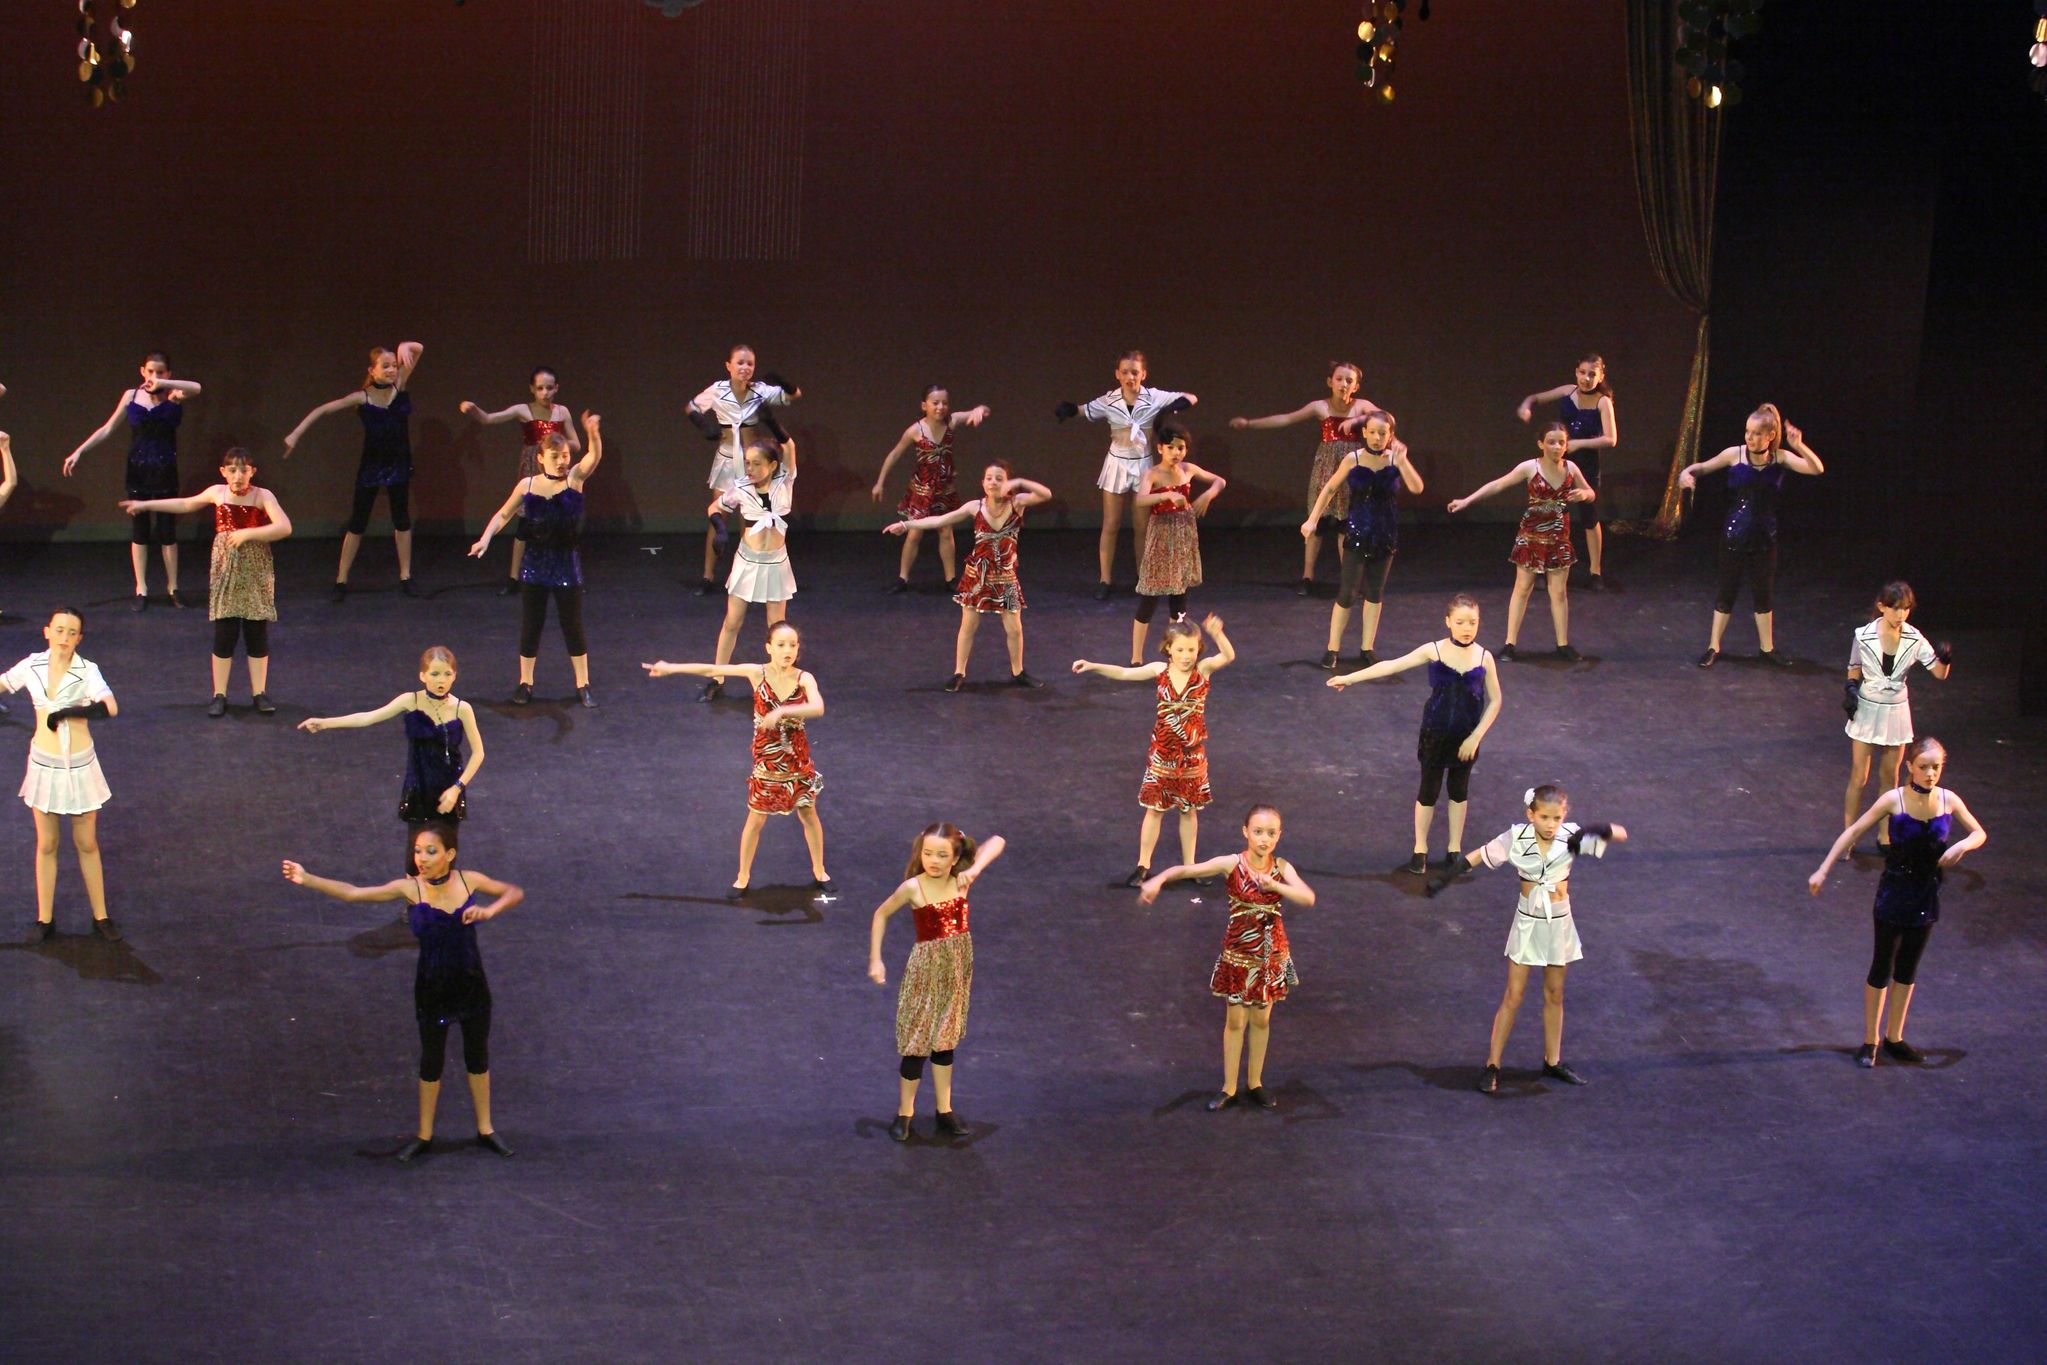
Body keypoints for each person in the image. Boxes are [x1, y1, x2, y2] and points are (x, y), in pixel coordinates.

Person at [281, 823, 523, 1162]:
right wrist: (308, 879)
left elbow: (513, 892)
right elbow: (353, 893)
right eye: (418, 851)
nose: (421, 858)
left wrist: (489, 910)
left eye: (431, 851)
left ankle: (486, 1129)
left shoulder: (470, 880)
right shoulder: (410, 888)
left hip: (471, 986)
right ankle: (424, 1134)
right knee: (431, 1060)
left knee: (477, 1056)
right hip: (432, 989)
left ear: (450, 854)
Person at [1428, 784, 1628, 1093]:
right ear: (1530, 815)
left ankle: (1553, 1061)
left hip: (1559, 923)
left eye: (1557, 818)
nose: (1551, 824)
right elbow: (1479, 855)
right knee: (1514, 995)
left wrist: (1592, 830)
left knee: (1555, 994)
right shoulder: (1516, 838)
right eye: (1544, 817)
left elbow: (1621, 834)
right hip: (1528, 923)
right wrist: (1446, 878)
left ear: (1564, 816)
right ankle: (1492, 1064)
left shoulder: (1571, 836)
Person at [1808, 737, 1985, 1067]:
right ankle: (1870, 1040)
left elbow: (1979, 832)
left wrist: (1962, 846)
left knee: (1907, 968)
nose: (1930, 774)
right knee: (1881, 966)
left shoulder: (1948, 800)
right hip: (1894, 894)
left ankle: (1895, 1037)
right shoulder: (1894, 800)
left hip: (1926, 894)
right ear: (1910, 767)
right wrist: (1823, 869)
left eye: (1936, 767)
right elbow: (1853, 832)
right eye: (1924, 767)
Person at [1140, 804, 1316, 1111]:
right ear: (1245, 832)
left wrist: (1275, 885)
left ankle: (1255, 1082)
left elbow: (1308, 897)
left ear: (1279, 835)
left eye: (1271, 833)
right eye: (1258, 832)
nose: (1264, 839)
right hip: (1238, 955)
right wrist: (1158, 879)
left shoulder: (1282, 867)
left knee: (1261, 1019)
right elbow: (1188, 870)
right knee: (1235, 1021)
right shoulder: (1231, 864)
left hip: (1269, 955)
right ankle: (1229, 1087)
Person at [643, 621, 833, 899]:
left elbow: (818, 707)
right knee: (755, 819)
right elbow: (713, 670)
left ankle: (820, 871)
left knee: (808, 814)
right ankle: (742, 876)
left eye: (793, 645)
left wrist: (782, 713)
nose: (787, 650)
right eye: (781, 645)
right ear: (768, 648)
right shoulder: (756, 673)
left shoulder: (805, 678)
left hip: (796, 761)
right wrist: (671, 667)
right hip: (767, 762)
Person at [1329, 593, 1502, 874]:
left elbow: (1496, 700)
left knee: (1459, 792)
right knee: (1428, 791)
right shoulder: (1434, 650)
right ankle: (1420, 848)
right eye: (1460, 622)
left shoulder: (1484, 657)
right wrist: (1350, 679)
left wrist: (1476, 737)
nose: (1467, 628)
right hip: (1435, 734)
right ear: (1448, 622)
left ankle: (1454, 848)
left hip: (1466, 739)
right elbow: (1391, 665)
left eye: (1473, 622)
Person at [120, 447, 293, 717]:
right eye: (232, 470)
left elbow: (284, 526)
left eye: (243, 470)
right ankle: (219, 694)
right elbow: (184, 504)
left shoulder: (262, 496)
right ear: (223, 472)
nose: (238, 476)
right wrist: (145, 505)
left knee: (256, 632)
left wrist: (248, 533)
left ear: (252, 472)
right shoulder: (217, 493)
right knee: (225, 632)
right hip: (226, 570)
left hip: (255, 570)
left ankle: (259, 692)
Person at [866, 824, 1008, 1141]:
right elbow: (881, 914)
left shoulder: (961, 880)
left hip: (956, 971)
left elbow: (997, 841)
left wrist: (975, 869)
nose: (933, 860)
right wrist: (876, 958)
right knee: (916, 1046)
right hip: (925, 972)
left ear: (955, 858)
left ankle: (944, 1110)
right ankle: (905, 1112)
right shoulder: (913, 887)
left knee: (945, 1043)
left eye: (942, 855)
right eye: (928, 853)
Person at [1073, 615, 1236, 887]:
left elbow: (1228, 656)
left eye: (1191, 649)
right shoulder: (1159, 670)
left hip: (1192, 757)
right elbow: (1124, 673)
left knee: (1188, 810)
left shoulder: (1203, 670)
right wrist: (1093, 666)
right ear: (1168, 648)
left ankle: (1190, 867)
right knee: (1154, 809)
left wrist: (1218, 634)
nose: (1186, 656)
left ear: (1198, 649)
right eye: (1180, 649)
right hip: (1163, 755)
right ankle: (1143, 866)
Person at [468, 412, 605, 707]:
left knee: (572, 625)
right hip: (534, 565)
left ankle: (583, 684)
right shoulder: (527, 485)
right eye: (555, 456)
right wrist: (485, 538)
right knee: (532, 624)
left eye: (565, 455)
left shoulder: (574, 480)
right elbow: (504, 514)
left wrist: (593, 434)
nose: (562, 461)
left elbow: (593, 457)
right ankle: (525, 683)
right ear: (541, 459)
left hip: (566, 565)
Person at [3, 609, 121, 942]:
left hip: (80, 767)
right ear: (47, 632)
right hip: (43, 765)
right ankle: (45, 919)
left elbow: (110, 706)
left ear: (79, 638)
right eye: (59, 630)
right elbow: (4, 682)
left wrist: (67, 712)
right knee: (47, 843)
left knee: (87, 842)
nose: (64, 638)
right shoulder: (32, 665)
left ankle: (101, 916)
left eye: (72, 632)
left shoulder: (87, 670)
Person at [885, 461, 1054, 692]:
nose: (993, 482)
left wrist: (1020, 482)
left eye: (999, 478)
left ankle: (1018, 671)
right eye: (989, 478)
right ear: (983, 483)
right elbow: (940, 520)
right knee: (968, 626)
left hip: (1005, 576)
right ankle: (959, 672)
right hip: (977, 576)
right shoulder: (975, 507)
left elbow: (1046, 494)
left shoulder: (1017, 502)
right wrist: (906, 524)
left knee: (1014, 629)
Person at [1677, 404, 1824, 666]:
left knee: (1763, 594)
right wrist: (1685, 473)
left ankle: (1767, 649)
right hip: (1734, 535)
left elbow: (1816, 469)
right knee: (1727, 591)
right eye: (1747, 432)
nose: (1750, 437)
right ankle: (1713, 646)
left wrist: (1799, 445)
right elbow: (1702, 467)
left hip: (1764, 537)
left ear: (1770, 436)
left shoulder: (1780, 458)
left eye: (1757, 433)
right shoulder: (1734, 454)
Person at [282, 342, 426, 600]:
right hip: (372, 466)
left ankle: (406, 576)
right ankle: (341, 579)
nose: (392, 370)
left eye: (394, 365)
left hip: (398, 465)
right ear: (372, 370)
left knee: (402, 520)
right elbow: (323, 410)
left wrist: (405, 345)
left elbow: (419, 348)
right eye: (386, 366)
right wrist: (296, 433)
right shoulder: (362, 397)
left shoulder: (399, 386)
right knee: (358, 523)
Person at [62, 351, 203, 609]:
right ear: (142, 371)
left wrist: (164, 384)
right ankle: (141, 589)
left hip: (165, 471)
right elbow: (107, 428)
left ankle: (173, 587)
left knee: (167, 532)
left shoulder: (174, 394)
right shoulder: (132, 395)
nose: (154, 376)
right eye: (150, 371)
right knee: (140, 532)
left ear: (168, 374)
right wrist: (79, 451)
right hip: (138, 471)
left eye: (160, 372)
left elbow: (196, 388)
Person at [1230, 361, 1385, 594]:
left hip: (1351, 469)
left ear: (1356, 386)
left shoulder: (1361, 406)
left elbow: (1384, 417)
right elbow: (1286, 418)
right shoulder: (1320, 406)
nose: (1344, 384)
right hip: (1325, 469)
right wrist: (1250, 423)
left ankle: (1348, 579)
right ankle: (1307, 577)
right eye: (1339, 379)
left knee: (1346, 525)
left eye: (1349, 381)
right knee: (1317, 523)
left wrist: (1356, 421)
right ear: (1330, 382)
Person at [1445, 423, 1595, 661]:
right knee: (1523, 588)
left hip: (1558, 537)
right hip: (1531, 536)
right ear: (1541, 444)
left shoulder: (1571, 468)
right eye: (1551, 442)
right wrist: (1467, 500)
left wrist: (1585, 495)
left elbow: (1590, 493)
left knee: (1559, 592)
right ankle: (1510, 644)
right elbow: (1498, 484)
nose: (1557, 447)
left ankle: (1563, 644)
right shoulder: (1530, 467)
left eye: (1561, 442)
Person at [1056, 351, 1197, 598]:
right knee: (1111, 524)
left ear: (1143, 374)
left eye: (1135, 372)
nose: (1130, 377)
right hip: (1117, 464)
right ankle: (1105, 579)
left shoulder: (1154, 396)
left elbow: (1191, 397)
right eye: (1125, 372)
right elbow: (1082, 410)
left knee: (1142, 526)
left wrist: (1176, 405)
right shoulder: (1109, 400)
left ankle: (1143, 576)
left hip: (1143, 465)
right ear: (1117, 375)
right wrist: (1069, 410)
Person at [298, 646, 485, 826]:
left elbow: (478, 753)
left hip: (450, 789)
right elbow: (367, 718)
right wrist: (325, 723)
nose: (441, 680)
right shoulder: (410, 700)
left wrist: (457, 788)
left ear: (454, 676)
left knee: (446, 844)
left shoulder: (463, 709)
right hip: (418, 788)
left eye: (447, 674)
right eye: (435, 674)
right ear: (423, 675)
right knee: (418, 845)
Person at [1303, 410, 1422, 666]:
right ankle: (1333, 648)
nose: (1377, 438)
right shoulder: (1353, 458)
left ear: (1390, 435)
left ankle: (1367, 648)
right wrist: (1312, 520)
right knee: (1347, 593)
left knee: (1375, 593)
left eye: (1383, 433)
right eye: (1373, 432)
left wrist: (1404, 462)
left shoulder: (1395, 460)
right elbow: (1330, 488)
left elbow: (1416, 487)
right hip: (1357, 531)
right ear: (1365, 433)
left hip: (1385, 533)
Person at [1842, 582, 1951, 843]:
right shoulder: (1864, 635)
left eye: (1906, 609)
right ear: (1882, 607)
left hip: (1896, 711)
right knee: (1859, 775)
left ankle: (1885, 836)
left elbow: (1939, 673)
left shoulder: (1914, 638)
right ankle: (1848, 836)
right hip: (1868, 708)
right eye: (1895, 608)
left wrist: (1945, 659)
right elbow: (1854, 667)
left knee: (1890, 777)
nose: (1901, 614)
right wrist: (1850, 688)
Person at [458, 366, 582, 595]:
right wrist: (473, 409)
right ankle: (514, 578)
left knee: (561, 524)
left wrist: (557, 441)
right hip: (532, 468)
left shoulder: (562, 412)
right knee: (524, 525)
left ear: (556, 388)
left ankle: (567, 575)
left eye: (549, 388)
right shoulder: (523, 410)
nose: (545, 393)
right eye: (540, 388)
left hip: (555, 469)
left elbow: (576, 444)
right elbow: (488, 419)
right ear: (532, 389)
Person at [693, 439, 800, 703]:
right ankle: (717, 679)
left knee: (777, 627)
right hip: (748, 562)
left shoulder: (784, 481)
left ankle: (780, 681)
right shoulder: (740, 488)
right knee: (732, 621)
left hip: (775, 563)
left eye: (756, 463)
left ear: (772, 465)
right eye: (747, 463)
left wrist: (771, 421)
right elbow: (715, 507)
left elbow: (789, 445)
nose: (749, 468)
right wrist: (720, 529)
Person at [686, 345, 798, 593]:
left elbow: (793, 395)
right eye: (740, 362)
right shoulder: (718, 390)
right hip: (727, 460)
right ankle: (707, 576)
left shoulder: (759, 390)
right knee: (718, 516)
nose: (745, 367)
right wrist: (704, 427)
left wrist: (781, 381)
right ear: (728, 365)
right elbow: (691, 407)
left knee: (748, 518)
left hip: (752, 464)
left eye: (750, 364)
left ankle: (746, 575)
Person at [871, 386, 990, 592]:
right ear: (924, 405)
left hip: (944, 489)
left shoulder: (952, 421)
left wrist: (979, 410)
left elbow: (981, 409)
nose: (940, 407)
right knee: (914, 533)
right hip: (922, 490)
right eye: (935, 403)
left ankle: (951, 579)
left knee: (946, 531)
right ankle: (902, 578)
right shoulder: (915, 430)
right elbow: (894, 454)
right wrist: (880, 482)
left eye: (944, 403)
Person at [1516, 355, 1617, 588]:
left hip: (1586, 463)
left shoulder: (1603, 402)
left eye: (1592, 374)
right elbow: (1535, 397)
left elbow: (1611, 439)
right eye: (1582, 372)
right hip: (1559, 460)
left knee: (1589, 516)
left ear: (1601, 376)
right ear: (1576, 372)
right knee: (1549, 513)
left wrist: (1579, 444)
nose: (1586, 378)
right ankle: (1542, 566)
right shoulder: (1567, 391)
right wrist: (1525, 405)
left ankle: (1595, 572)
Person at [1130, 424, 1225, 663]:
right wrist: (1165, 495)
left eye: (1181, 448)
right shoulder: (1153, 474)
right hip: (1161, 538)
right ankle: (1136, 657)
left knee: (1179, 599)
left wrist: (1208, 495)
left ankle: (1174, 654)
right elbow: (1140, 499)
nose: (1176, 452)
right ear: (1160, 448)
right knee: (1149, 598)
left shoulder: (1188, 469)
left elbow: (1220, 481)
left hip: (1183, 538)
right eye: (1170, 447)